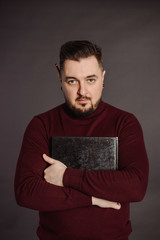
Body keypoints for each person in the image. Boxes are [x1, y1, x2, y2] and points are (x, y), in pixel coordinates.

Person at [14, 40, 149, 240]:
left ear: (103, 77)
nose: (82, 92)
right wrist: (93, 199)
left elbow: (135, 187)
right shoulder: (42, 125)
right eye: (72, 81)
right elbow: (26, 191)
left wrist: (66, 176)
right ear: (59, 77)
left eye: (91, 80)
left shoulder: (125, 123)